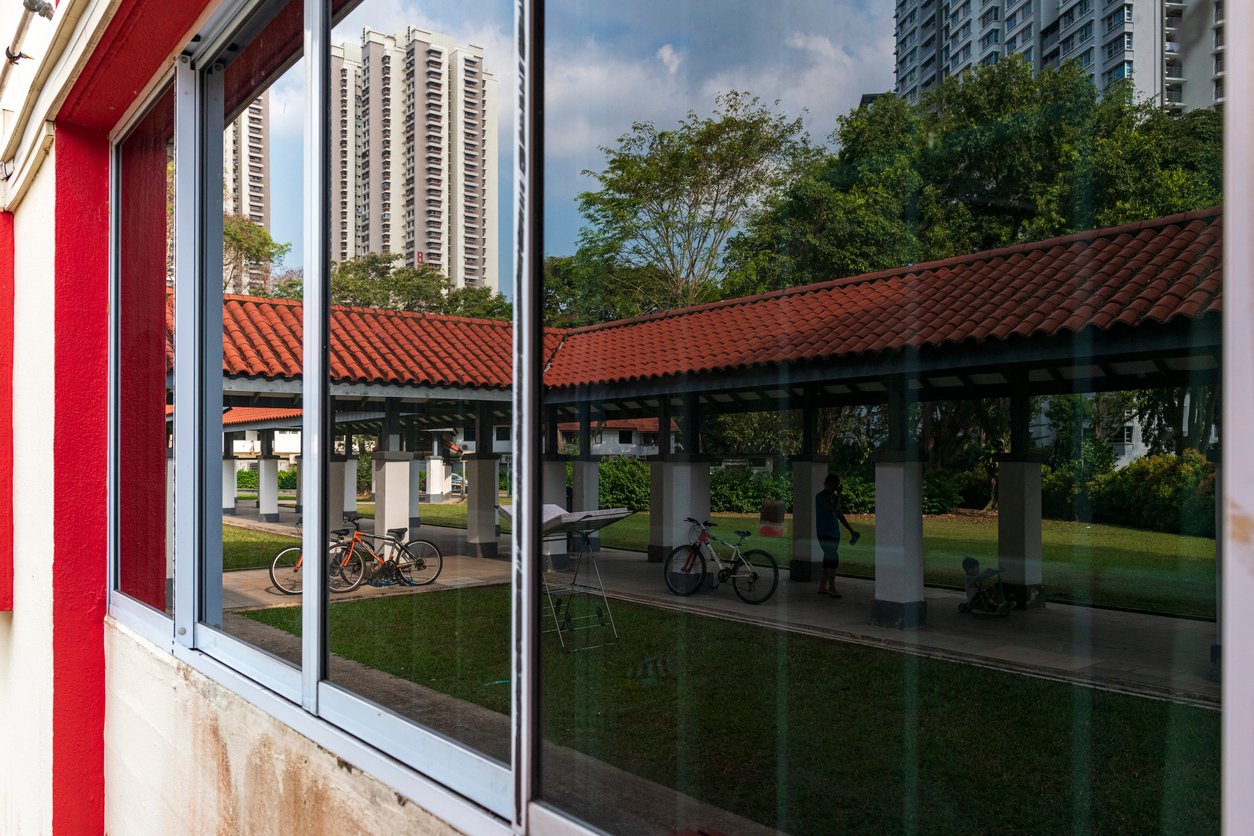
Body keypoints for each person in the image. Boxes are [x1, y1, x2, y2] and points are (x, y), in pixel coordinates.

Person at [815, 474, 858, 598]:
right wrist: (838, 496)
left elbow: (839, 515)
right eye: (832, 484)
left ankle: (822, 587)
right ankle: (832, 588)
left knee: (828, 559)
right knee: (833, 558)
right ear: (827, 483)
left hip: (834, 532)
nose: (834, 487)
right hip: (824, 532)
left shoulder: (833, 497)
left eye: (836, 485)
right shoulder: (821, 497)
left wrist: (851, 530)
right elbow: (832, 509)